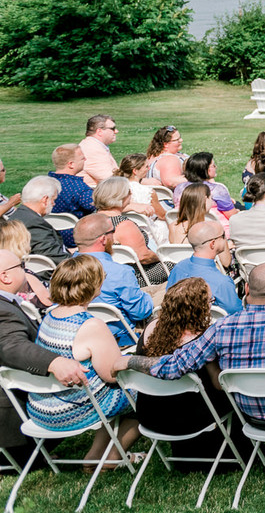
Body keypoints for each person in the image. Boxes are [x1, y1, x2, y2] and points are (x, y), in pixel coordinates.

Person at [128, 263, 265, 452]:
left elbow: (174, 366)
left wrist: (129, 361)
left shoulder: (221, 328)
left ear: (246, 288)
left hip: (249, 413)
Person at [24, 255, 137, 465]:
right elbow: (113, 375)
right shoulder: (91, 325)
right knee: (144, 396)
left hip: (41, 407)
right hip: (70, 410)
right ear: (93, 285)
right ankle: (111, 459)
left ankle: (94, 457)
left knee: (110, 394)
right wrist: (132, 359)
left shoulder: (50, 315)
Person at [132, 278, 233, 463]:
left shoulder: (150, 329)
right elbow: (219, 385)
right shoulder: (202, 339)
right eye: (210, 301)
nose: (212, 305)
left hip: (151, 415)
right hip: (190, 418)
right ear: (200, 308)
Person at [0, 248, 89, 454]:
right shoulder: (3, 310)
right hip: (15, 428)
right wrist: (54, 362)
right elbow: (11, 346)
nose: (27, 271)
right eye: (21, 267)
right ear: (4, 276)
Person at [72, 213, 153, 346]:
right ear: (103, 239)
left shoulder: (62, 270)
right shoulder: (120, 272)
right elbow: (141, 312)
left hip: (76, 334)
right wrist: (147, 298)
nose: (114, 238)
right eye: (112, 232)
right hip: (118, 338)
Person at [93, 177, 169, 285]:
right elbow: (143, 257)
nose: (131, 194)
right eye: (129, 192)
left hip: (103, 274)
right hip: (135, 276)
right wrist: (162, 257)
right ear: (121, 197)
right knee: (177, 265)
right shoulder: (123, 225)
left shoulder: (90, 221)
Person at [167, 222, 243, 316]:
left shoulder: (178, 268)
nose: (226, 239)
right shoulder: (222, 283)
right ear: (213, 244)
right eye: (223, 236)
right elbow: (237, 313)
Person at [14, 177, 69, 262]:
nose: (54, 204)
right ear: (45, 199)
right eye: (53, 200)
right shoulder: (34, 224)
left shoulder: (17, 215)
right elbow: (56, 257)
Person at [48, 144, 96, 230]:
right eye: (82, 158)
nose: (85, 159)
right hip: (74, 237)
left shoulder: (41, 184)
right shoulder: (79, 188)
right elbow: (97, 207)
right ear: (71, 164)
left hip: (47, 234)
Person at [174, 152, 234, 218]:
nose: (216, 167)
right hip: (217, 226)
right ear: (205, 170)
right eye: (213, 165)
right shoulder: (217, 189)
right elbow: (232, 215)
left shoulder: (179, 188)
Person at [77, 115, 119, 188]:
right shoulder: (91, 148)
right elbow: (111, 179)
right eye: (113, 128)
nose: (116, 131)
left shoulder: (96, 145)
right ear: (99, 131)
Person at [144, 127, 187, 191]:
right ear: (165, 144)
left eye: (180, 137)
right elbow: (171, 182)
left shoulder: (153, 156)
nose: (181, 140)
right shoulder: (169, 159)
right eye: (177, 140)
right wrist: (201, 178)